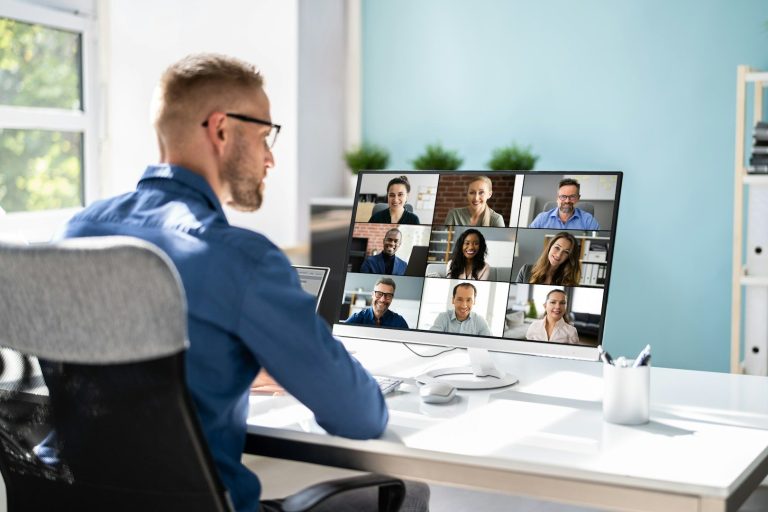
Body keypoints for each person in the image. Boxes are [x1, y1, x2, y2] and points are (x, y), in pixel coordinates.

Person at [54, 54, 428, 512]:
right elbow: (360, 415)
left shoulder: (76, 231)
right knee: (408, 493)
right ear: (222, 129)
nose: (270, 157)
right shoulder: (240, 258)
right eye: (265, 135)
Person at [529, 178, 600, 230]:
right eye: (563, 196)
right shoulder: (541, 219)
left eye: (572, 196)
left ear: (578, 198)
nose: (567, 201)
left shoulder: (588, 220)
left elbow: (596, 244)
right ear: (557, 198)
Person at [516, 232, 581, 286]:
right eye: (557, 248)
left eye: (566, 252)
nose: (558, 255)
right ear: (550, 247)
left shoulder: (570, 282)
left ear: (569, 257)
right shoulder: (526, 270)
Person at [345, 277, 409, 328]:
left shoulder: (399, 322)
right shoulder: (357, 318)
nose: (382, 300)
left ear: (392, 298)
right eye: (379, 294)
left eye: (388, 295)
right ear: (372, 295)